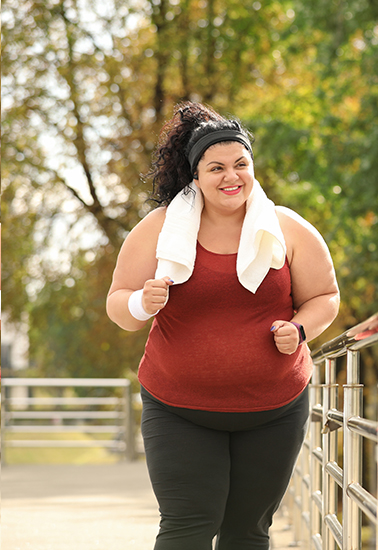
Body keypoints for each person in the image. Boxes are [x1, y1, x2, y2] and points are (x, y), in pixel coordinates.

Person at [106, 101, 339, 550]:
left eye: (241, 164)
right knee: (187, 526)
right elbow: (119, 306)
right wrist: (141, 300)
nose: (231, 177)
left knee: (247, 534)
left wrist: (301, 329)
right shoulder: (158, 229)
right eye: (216, 168)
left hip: (274, 411)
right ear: (195, 176)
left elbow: (325, 297)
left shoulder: (288, 228)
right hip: (178, 409)